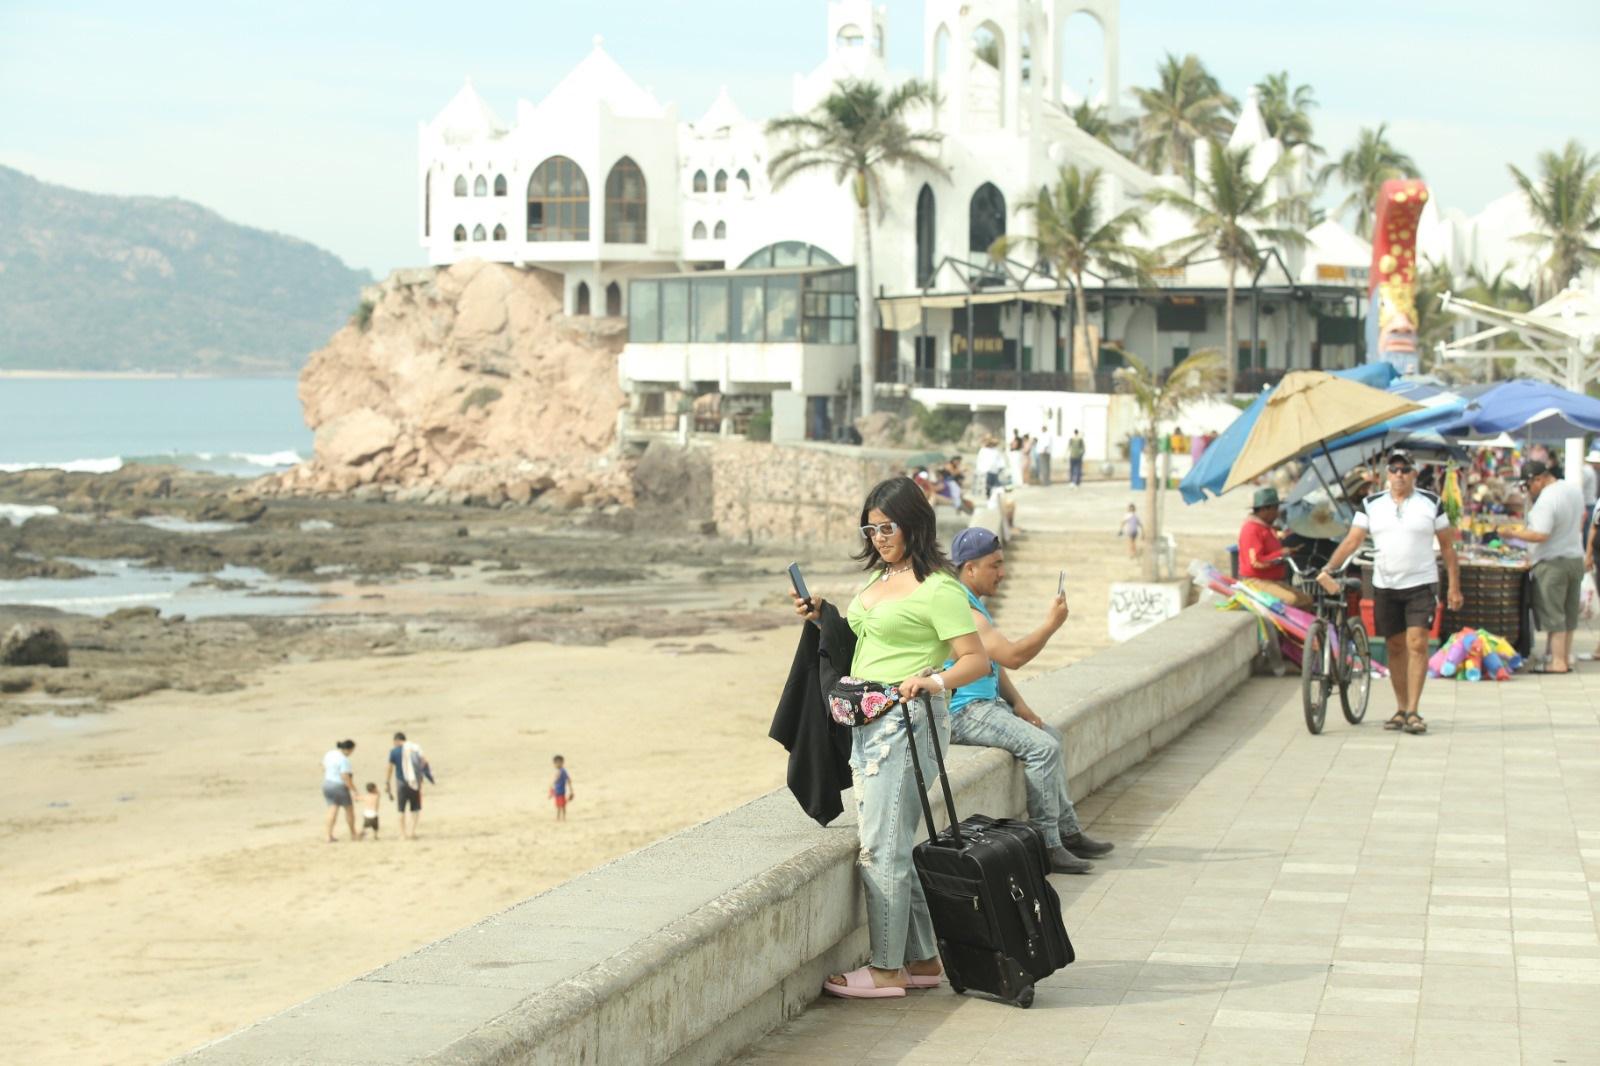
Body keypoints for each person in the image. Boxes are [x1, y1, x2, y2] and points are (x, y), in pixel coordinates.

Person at [791, 476, 990, 1000]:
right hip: (869, 720)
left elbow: (975, 659)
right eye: (871, 528)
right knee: (896, 844)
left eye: (888, 527)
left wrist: (935, 680)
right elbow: (864, 644)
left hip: (908, 722)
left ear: (915, 525)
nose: (878, 537)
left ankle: (884, 970)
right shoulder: (879, 579)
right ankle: (923, 961)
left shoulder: (939, 588)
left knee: (880, 850)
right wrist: (823, 618)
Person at [942, 527, 1114, 874]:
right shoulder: (966, 611)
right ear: (970, 568)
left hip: (984, 705)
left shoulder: (973, 603)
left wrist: (1019, 704)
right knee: (1042, 748)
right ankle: (1047, 845)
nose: (1002, 573)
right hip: (964, 711)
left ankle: (1069, 832)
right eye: (995, 565)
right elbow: (1013, 656)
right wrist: (1051, 625)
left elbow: (991, 663)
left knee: (1052, 736)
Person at [1318, 449, 1462, 733]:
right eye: (1394, 470)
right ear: (1387, 473)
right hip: (1385, 584)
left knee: (1417, 644)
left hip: (1421, 583)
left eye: (1404, 470)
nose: (1399, 475)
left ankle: (1413, 711)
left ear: (1414, 473)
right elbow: (1353, 540)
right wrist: (1330, 568)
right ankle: (1400, 707)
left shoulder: (1430, 503)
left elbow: (1448, 546)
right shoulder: (1371, 504)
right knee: (1395, 647)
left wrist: (1454, 587)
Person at [1510, 460, 1585, 674]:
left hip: (1553, 563)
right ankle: (1561, 657)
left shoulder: (1547, 498)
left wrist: (1512, 532)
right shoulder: (1573, 490)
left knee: (1553, 614)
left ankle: (1558, 662)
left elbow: (1540, 534)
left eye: (1527, 485)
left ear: (1539, 479)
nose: (1527, 491)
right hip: (1574, 558)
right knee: (1568, 614)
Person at [385, 731, 434, 840]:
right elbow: (424, 762)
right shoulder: (415, 749)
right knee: (415, 808)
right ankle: (412, 832)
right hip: (415, 782)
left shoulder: (394, 752)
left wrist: (387, 782)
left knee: (401, 809)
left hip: (401, 782)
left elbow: (390, 768)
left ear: (396, 741)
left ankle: (403, 834)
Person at [1238, 487, 1294, 581]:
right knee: (1293, 597)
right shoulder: (1252, 529)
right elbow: (1256, 562)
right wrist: (1280, 554)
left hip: (1273, 579)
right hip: (1257, 581)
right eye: (1275, 509)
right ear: (1264, 510)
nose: (1277, 513)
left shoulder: (1265, 527)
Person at [321, 739, 358, 843]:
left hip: (327, 783)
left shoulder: (330, 754)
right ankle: (353, 833)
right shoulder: (344, 760)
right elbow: (345, 776)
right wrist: (354, 790)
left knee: (332, 809)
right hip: (339, 786)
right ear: (349, 749)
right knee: (349, 810)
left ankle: (328, 835)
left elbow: (323, 766)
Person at [549, 755, 573, 819]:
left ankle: (563, 818)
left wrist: (571, 791)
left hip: (561, 792)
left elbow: (568, 780)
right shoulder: (559, 771)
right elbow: (556, 782)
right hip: (557, 791)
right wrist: (551, 791)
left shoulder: (563, 771)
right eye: (556, 763)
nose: (557, 764)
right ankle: (558, 818)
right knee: (558, 806)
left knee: (562, 806)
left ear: (562, 762)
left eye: (559, 762)